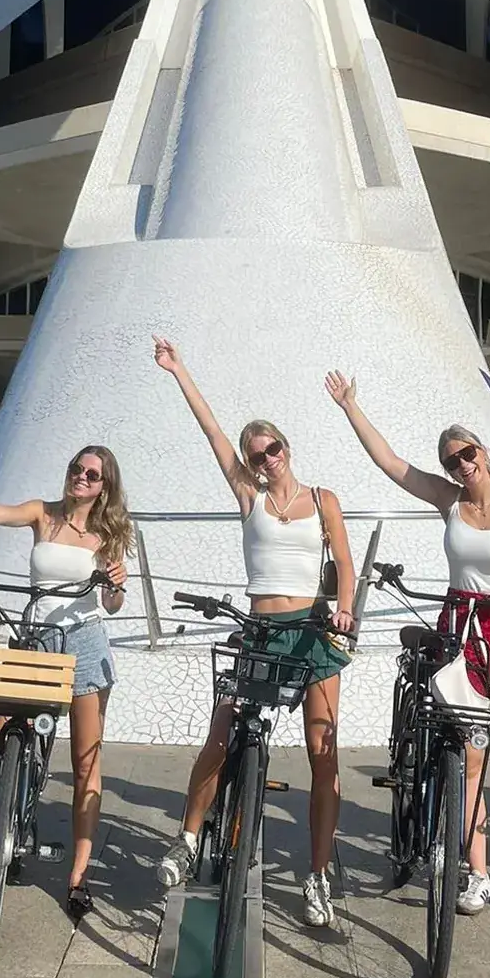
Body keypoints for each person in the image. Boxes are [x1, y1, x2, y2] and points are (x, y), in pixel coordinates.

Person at [325, 371, 490, 923]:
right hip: (462, 631)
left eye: (467, 453)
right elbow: (392, 464)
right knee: (470, 761)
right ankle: (477, 875)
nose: (461, 464)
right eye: (453, 459)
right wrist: (350, 407)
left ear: (482, 451)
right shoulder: (449, 500)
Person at [154, 338, 357, 930]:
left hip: (313, 631)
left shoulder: (324, 500)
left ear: (286, 449)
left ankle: (316, 876)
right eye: (254, 454)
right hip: (260, 628)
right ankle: (188, 840)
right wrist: (179, 369)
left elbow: (345, 564)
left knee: (325, 754)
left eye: (269, 450)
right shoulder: (250, 497)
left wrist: (343, 611)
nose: (263, 459)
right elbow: (212, 431)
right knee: (220, 735)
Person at [0, 447, 132, 920]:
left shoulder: (109, 534)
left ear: (104, 486)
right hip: (34, 640)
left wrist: (115, 585)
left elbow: (113, 603)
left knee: (85, 765)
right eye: (76, 469)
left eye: (92, 474)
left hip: (83, 644)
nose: (81, 477)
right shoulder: (44, 514)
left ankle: (78, 878)